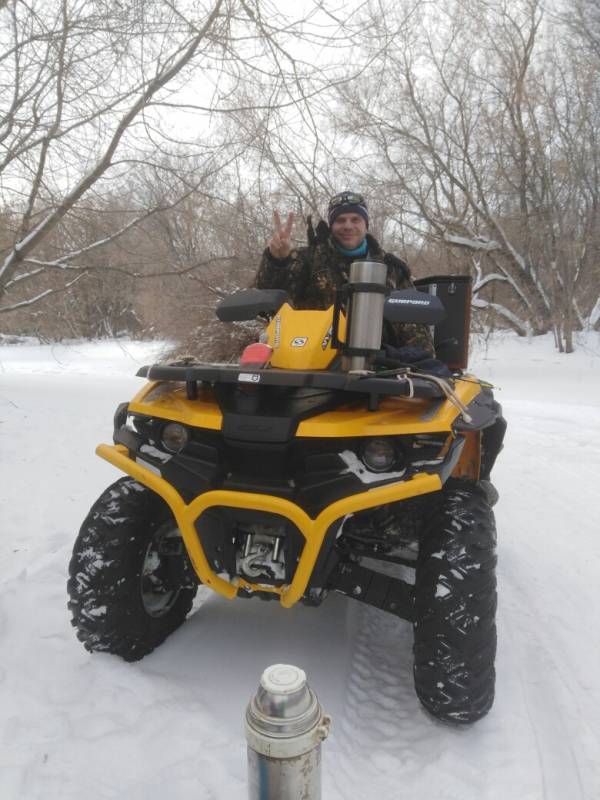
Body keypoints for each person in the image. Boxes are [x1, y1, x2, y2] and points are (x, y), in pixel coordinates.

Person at [254, 191, 434, 354]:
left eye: (355, 219)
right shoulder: (306, 259)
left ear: (366, 225)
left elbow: (413, 323)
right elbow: (267, 303)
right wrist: (277, 261)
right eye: (340, 220)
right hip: (310, 362)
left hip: (376, 368)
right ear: (331, 225)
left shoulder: (392, 268)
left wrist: (418, 364)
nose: (348, 226)